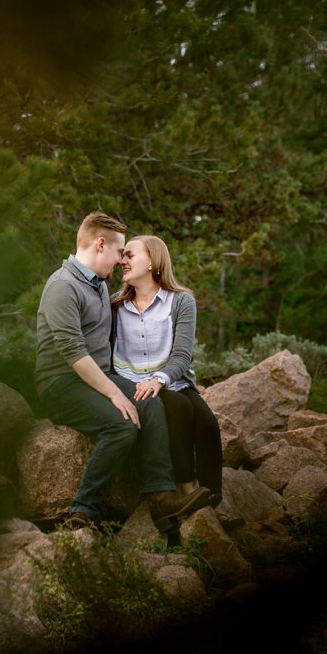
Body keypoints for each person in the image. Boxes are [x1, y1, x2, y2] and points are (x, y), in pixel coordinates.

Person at [34, 212, 213, 532]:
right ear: (100, 244)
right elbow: (74, 353)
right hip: (61, 384)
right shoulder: (63, 286)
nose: (120, 261)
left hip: (95, 381)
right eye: (119, 253)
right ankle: (83, 509)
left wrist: (139, 384)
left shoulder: (98, 285)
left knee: (149, 401)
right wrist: (116, 394)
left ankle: (162, 499)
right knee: (122, 425)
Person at [111, 235, 223, 513]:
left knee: (208, 423)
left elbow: (182, 356)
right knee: (180, 410)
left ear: (152, 261)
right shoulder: (113, 305)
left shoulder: (181, 301)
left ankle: (215, 503)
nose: (122, 261)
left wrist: (160, 379)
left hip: (172, 379)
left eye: (130, 255)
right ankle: (188, 489)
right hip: (134, 384)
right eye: (122, 256)